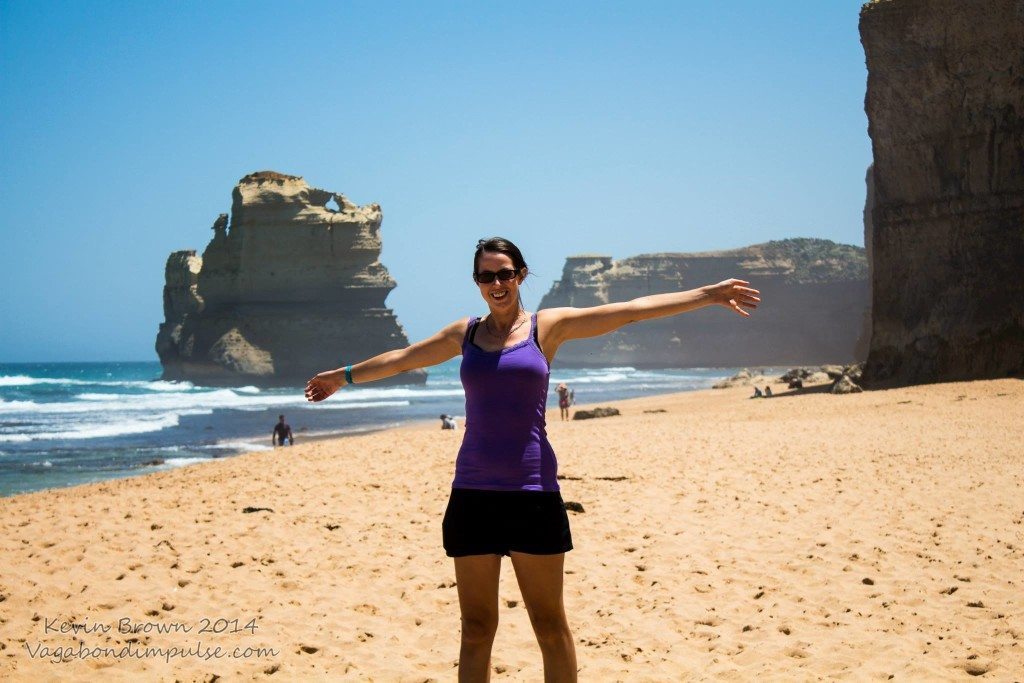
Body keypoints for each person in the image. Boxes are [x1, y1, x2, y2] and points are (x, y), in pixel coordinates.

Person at [304, 237, 760, 681]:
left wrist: (709, 294)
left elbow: (628, 312)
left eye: (505, 273)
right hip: (472, 495)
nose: (496, 283)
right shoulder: (464, 334)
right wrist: (342, 376)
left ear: (520, 275)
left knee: (549, 627)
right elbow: (403, 359)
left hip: (532, 494)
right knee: (477, 629)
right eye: (487, 276)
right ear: (477, 282)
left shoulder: (548, 327)